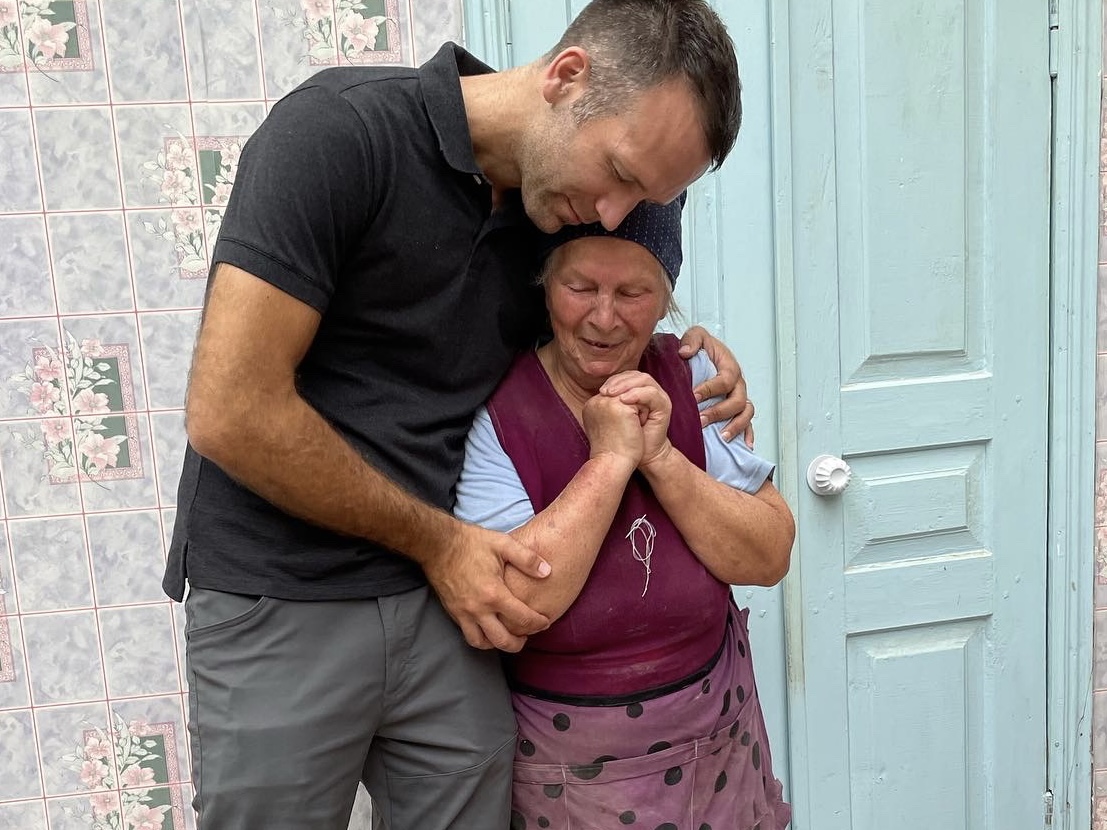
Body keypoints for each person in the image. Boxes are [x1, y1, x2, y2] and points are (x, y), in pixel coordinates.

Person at [164, 1, 749, 828]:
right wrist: (439, 545)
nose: (617, 212)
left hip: (450, 598)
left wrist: (687, 358)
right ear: (566, 76)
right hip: (284, 587)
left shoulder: (562, 206)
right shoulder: (339, 134)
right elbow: (230, 411)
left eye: (647, 197)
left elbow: (604, 314)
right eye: (618, 173)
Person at [453, 195, 794, 829]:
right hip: (576, 767)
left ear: (666, 300)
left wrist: (661, 457)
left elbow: (770, 553)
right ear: (545, 286)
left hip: (720, 734)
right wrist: (611, 460)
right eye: (580, 287)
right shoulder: (500, 412)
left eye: (633, 293)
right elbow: (516, 602)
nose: (604, 317)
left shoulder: (693, 376)